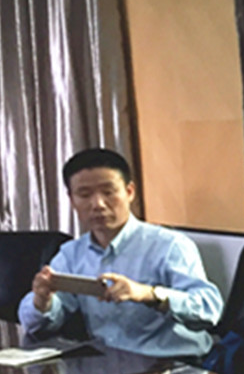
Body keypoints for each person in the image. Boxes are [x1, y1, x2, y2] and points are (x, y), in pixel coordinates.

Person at [19, 148, 224, 359]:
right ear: (72, 201)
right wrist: (42, 302)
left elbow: (209, 309)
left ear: (130, 192)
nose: (98, 204)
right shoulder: (72, 254)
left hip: (175, 363)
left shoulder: (170, 245)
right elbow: (35, 322)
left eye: (108, 192)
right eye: (85, 195)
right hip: (109, 364)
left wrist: (148, 294)